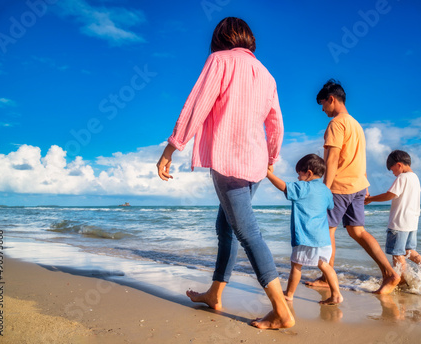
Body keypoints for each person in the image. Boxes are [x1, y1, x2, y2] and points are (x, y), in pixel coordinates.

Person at [156, 17, 294, 330]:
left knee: (246, 232)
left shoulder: (219, 60)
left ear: (220, 38)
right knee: (226, 226)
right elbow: (276, 124)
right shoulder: (266, 74)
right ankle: (215, 293)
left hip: (229, 160)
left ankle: (281, 310)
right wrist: (270, 157)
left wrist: (171, 148)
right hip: (256, 163)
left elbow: (197, 105)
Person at [306, 79, 400, 294]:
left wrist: (324, 189)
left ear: (332, 99)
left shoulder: (336, 124)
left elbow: (332, 159)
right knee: (357, 231)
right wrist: (365, 184)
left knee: (327, 230)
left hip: (340, 185)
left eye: (323, 104)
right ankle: (390, 273)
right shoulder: (357, 125)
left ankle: (326, 275)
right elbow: (360, 157)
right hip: (358, 184)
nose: (322, 109)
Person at [266, 154, 343, 304]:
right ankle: (336, 294)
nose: (298, 177)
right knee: (325, 266)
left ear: (308, 173)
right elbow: (330, 206)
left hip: (305, 237)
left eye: (299, 173)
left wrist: (267, 174)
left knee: (296, 266)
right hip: (323, 239)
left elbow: (283, 186)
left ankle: (289, 293)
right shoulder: (326, 190)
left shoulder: (302, 187)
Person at [364, 150, 421, 284]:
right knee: (408, 250)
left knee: (397, 253)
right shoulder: (415, 178)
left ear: (399, 165)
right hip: (412, 221)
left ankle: (400, 281)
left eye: (392, 170)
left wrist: (371, 199)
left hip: (399, 222)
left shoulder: (403, 178)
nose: (393, 173)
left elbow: (390, 195)